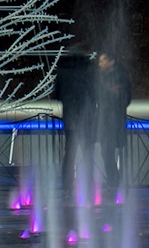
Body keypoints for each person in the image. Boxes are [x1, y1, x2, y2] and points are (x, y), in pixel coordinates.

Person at [53, 45, 95, 195]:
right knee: (88, 152)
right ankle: (89, 186)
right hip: (87, 116)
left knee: (69, 153)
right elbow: (95, 92)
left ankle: (67, 187)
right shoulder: (89, 69)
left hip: (70, 117)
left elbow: (55, 95)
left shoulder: (62, 71)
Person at [94, 51, 132, 195]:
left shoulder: (119, 77)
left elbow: (124, 98)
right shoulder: (102, 77)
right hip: (107, 120)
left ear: (112, 61)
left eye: (103, 60)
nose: (100, 63)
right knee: (107, 152)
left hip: (114, 120)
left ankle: (115, 182)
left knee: (109, 152)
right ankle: (115, 181)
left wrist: (110, 92)